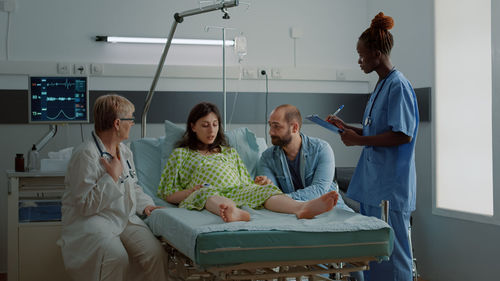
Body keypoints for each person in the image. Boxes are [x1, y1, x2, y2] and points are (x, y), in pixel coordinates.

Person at [327, 12, 419, 281]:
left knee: (394, 251)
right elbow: (375, 131)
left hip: (391, 187)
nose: (359, 61)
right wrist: (348, 129)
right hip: (374, 185)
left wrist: (360, 140)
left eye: (361, 55)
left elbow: (403, 135)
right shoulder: (381, 86)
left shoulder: (398, 86)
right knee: (372, 253)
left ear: (377, 54)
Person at [157, 102, 339, 222]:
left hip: (237, 190)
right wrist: (192, 191)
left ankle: (302, 208)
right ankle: (231, 211)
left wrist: (259, 184)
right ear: (193, 126)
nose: (211, 130)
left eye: (215, 124)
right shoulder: (181, 155)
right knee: (208, 193)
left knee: (264, 191)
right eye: (205, 125)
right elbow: (169, 194)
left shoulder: (229, 153)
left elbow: (246, 183)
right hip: (206, 191)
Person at [59, 94, 168, 281]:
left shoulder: (124, 151)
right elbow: (85, 205)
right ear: (117, 123)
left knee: (155, 254)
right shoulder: (85, 154)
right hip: (94, 219)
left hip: (123, 217)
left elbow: (133, 187)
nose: (133, 123)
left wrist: (146, 205)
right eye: (131, 118)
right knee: (117, 258)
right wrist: (111, 176)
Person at [257, 104, 351, 210]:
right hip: (289, 211)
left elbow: (319, 190)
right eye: (270, 126)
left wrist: (283, 199)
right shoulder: (267, 157)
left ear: (295, 127)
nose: (270, 132)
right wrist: (265, 186)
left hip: (331, 208)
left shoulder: (322, 149)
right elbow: (269, 195)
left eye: (276, 126)